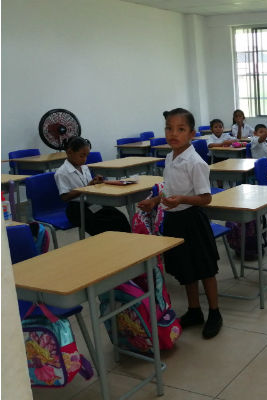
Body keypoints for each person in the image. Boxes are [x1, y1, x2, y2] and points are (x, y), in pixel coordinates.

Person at [138, 108, 222, 339]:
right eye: (169, 128)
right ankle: (194, 311)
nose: (173, 133)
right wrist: (155, 200)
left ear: (192, 134)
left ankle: (214, 313)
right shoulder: (170, 157)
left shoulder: (195, 162)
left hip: (192, 219)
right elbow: (169, 188)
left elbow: (206, 198)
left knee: (205, 268)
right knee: (186, 269)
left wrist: (182, 200)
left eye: (181, 129)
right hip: (173, 219)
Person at [54, 136, 130, 236]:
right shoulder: (61, 173)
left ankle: (125, 244)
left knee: (119, 217)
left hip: (91, 202)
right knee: (102, 225)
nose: (85, 159)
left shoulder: (85, 168)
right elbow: (64, 197)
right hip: (76, 209)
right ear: (69, 152)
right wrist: (86, 188)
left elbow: (89, 186)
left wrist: (96, 182)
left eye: (87, 156)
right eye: (82, 156)